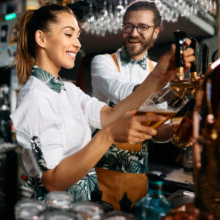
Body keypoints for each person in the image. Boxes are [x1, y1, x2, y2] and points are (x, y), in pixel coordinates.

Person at [10, 4, 194, 202]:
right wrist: (109, 134)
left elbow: (109, 116)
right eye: (69, 34)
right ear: (41, 39)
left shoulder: (68, 90)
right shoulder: (35, 96)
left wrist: (159, 76)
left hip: (80, 207)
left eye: (78, 36)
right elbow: (53, 181)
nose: (78, 44)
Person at [90, 1, 178, 210]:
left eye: (143, 27)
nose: (133, 33)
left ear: (155, 33)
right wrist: (158, 80)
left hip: (138, 179)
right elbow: (120, 91)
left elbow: (159, 131)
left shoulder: (158, 69)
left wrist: (174, 130)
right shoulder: (102, 62)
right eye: (128, 26)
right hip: (99, 174)